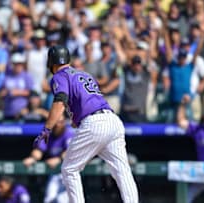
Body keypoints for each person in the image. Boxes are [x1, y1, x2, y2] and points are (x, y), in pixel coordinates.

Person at [33, 45, 138, 203]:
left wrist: (47, 128)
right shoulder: (83, 74)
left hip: (94, 123)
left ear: (51, 63)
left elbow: (60, 100)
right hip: (113, 120)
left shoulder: (60, 75)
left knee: (69, 169)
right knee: (122, 170)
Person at [23, 115, 73, 203]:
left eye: (60, 122)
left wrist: (58, 159)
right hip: (54, 173)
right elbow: (39, 151)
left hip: (69, 173)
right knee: (49, 199)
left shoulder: (68, 134)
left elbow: (70, 152)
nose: (58, 125)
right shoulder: (48, 135)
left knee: (62, 200)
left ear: (64, 123)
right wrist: (33, 158)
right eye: (56, 122)